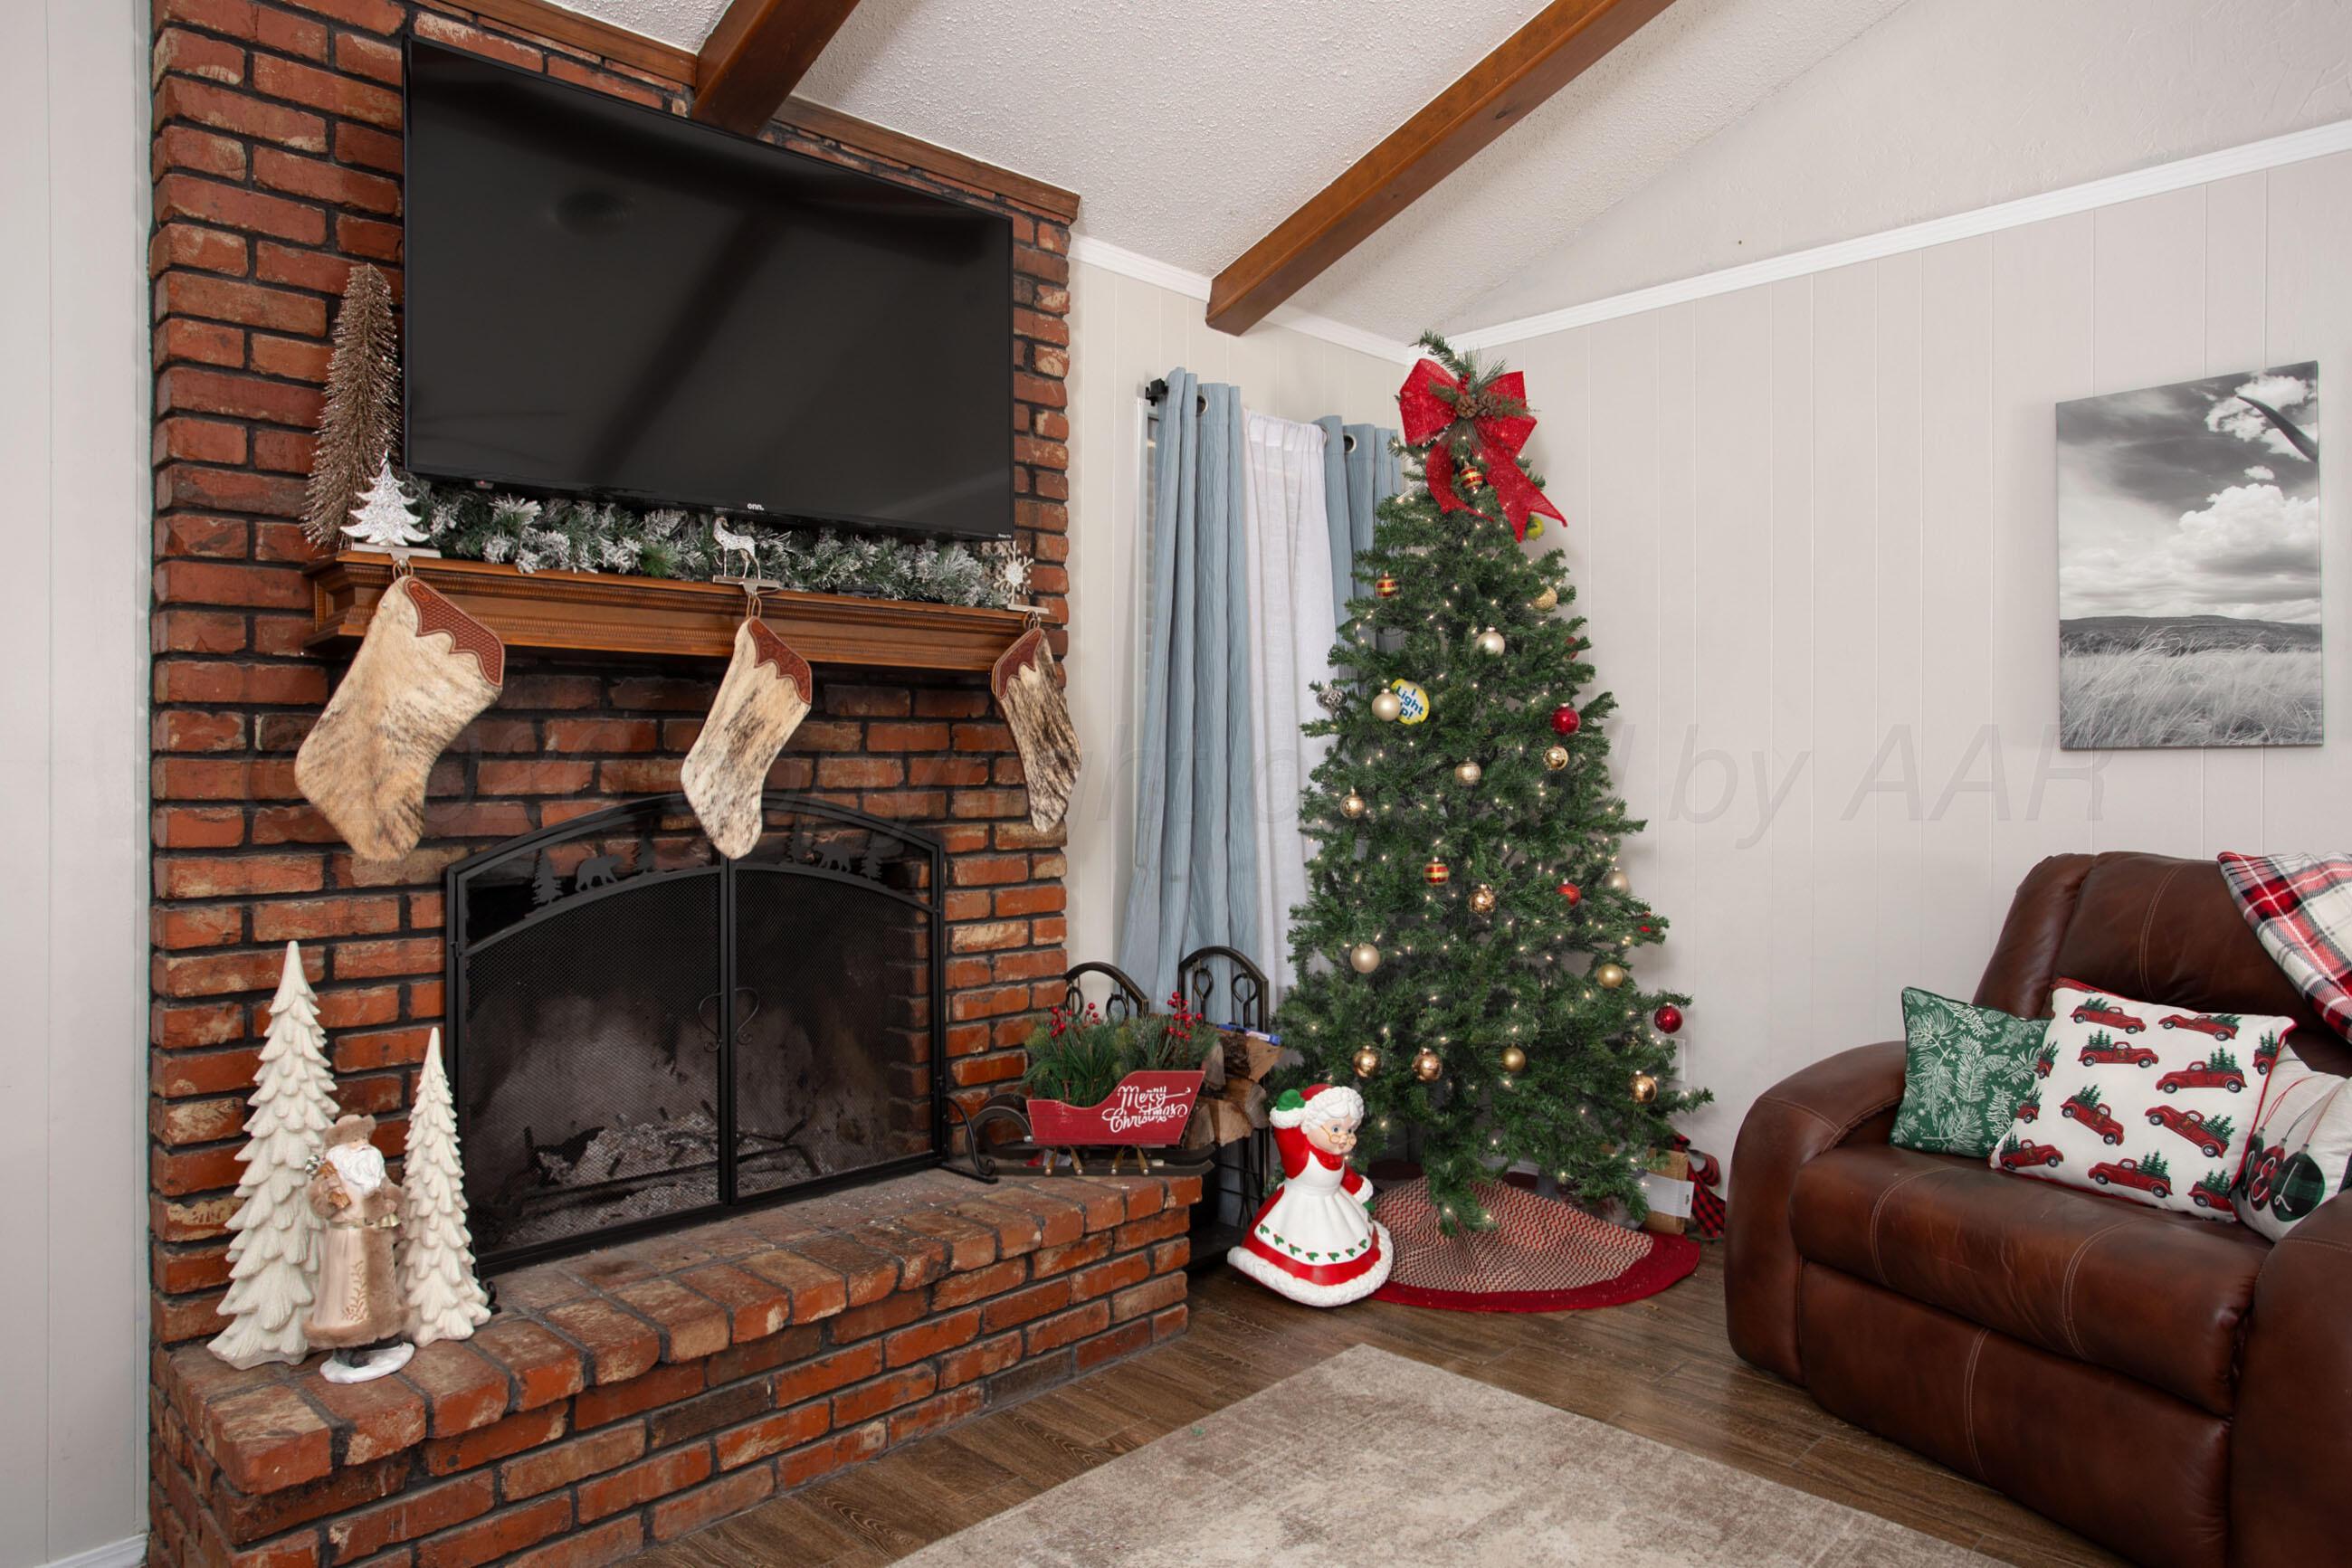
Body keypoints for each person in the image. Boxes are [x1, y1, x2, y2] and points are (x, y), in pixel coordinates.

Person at [1225, 1083, 1392, 1307]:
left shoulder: (1336, 1157)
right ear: (1309, 1125)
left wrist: (1359, 1197)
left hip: (1335, 1205)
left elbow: (1347, 1177)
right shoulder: (1301, 1158)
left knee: (1344, 1237)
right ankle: (1293, 1276)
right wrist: (1288, 1113)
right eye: (1335, 1129)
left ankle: (1346, 1276)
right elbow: (1287, 1138)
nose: (1344, 1137)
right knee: (1306, 1243)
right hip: (1301, 1208)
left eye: (1350, 1130)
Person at [302, 1115, 414, 1383]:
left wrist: (393, 1204)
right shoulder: (332, 1176)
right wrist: (329, 1194)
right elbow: (321, 1207)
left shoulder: (372, 1168)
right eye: (355, 1139)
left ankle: (382, 1333)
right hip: (348, 1240)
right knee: (350, 1290)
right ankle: (348, 1343)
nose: (363, 1144)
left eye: (365, 1138)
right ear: (340, 1146)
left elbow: (389, 1192)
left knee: (380, 1288)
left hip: (375, 1236)